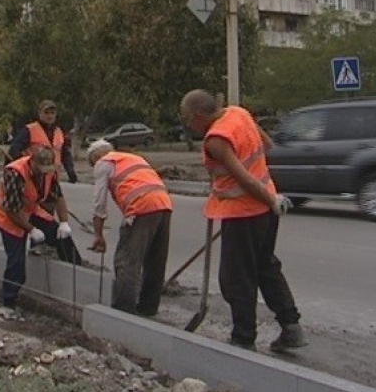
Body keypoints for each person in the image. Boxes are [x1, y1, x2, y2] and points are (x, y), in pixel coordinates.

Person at [180, 89, 307, 352]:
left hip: (244, 213)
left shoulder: (216, 139)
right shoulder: (239, 113)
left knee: (236, 278)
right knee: (265, 267)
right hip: (266, 207)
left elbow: (244, 179)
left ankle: (243, 338)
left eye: (188, 120)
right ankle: (291, 327)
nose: (189, 126)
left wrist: (270, 200)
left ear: (199, 115)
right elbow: (267, 146)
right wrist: (271, 198)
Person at [87, 139, 173, 317]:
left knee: (127, 261)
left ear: (96, 157)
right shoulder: (133, 158)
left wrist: (98, 235)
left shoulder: (103, 163)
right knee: (155, 261)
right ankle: (148, 308)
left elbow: (99, 203)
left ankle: (123, 313)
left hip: (141, 207)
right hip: (164, 204)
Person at [0, 146, 83, 309]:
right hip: (9, 216)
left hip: (30, 210)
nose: (44, 173)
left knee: (61, 237)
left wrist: (64, 223)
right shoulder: (15, 173)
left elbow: (58, 197)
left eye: (47, 169)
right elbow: (12, 211)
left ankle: (77, 270)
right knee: (16, 263)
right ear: (32, 161)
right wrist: (31, 230)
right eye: (40, 168)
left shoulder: (49, 172)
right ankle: (7, 302)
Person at [8, 99, 78, 185]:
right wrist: (25, 168)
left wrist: (70, 171)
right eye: (46, 113)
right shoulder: (29, 130)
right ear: (39, 113)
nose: (49, 116)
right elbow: (14, 150)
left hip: (52, 179)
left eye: (52, 113)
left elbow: (65, 154)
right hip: (32, 178)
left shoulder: (59, 132)